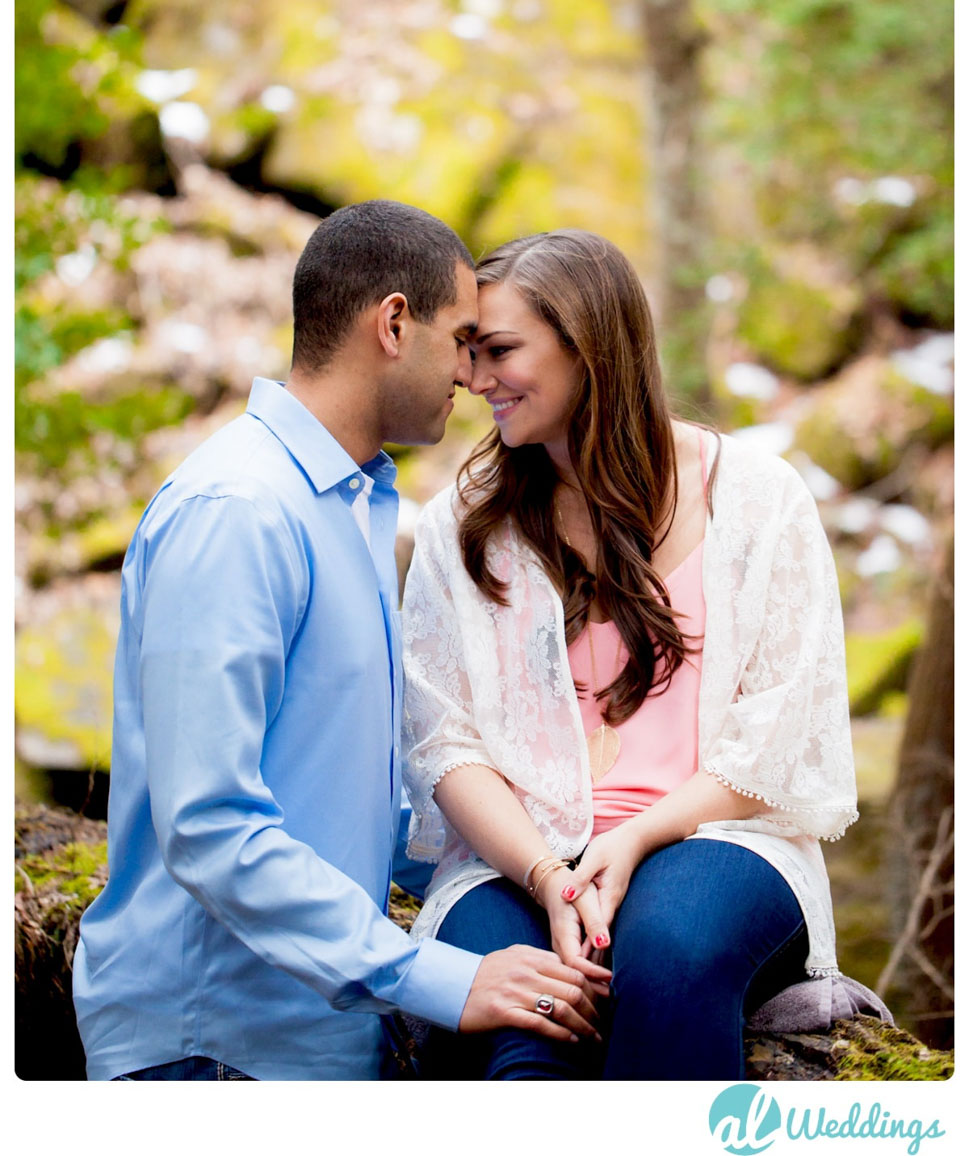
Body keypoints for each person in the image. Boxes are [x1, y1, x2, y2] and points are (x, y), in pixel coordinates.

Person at [73, 201, 609, 1082]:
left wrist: (555, 872)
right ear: (393, 324)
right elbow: (209, 826)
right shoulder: (238, 512)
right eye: (462, 338)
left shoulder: (351, 508)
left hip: (313, 1044)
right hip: (210, 1053)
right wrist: (435, 976)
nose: (473, 376)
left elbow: (352, 798)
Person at [401, 228, 859, 1080]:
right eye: (466, 352)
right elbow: (443, 744)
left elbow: (774, 729)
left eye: (498, 350)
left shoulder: (757, 501)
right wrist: (545, 874)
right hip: (515, 856)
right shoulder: (460, 528)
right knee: (529, 1008)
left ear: (590, 347)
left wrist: (640, 836)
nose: (471, 378)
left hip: (717, 837)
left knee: (668, 955)